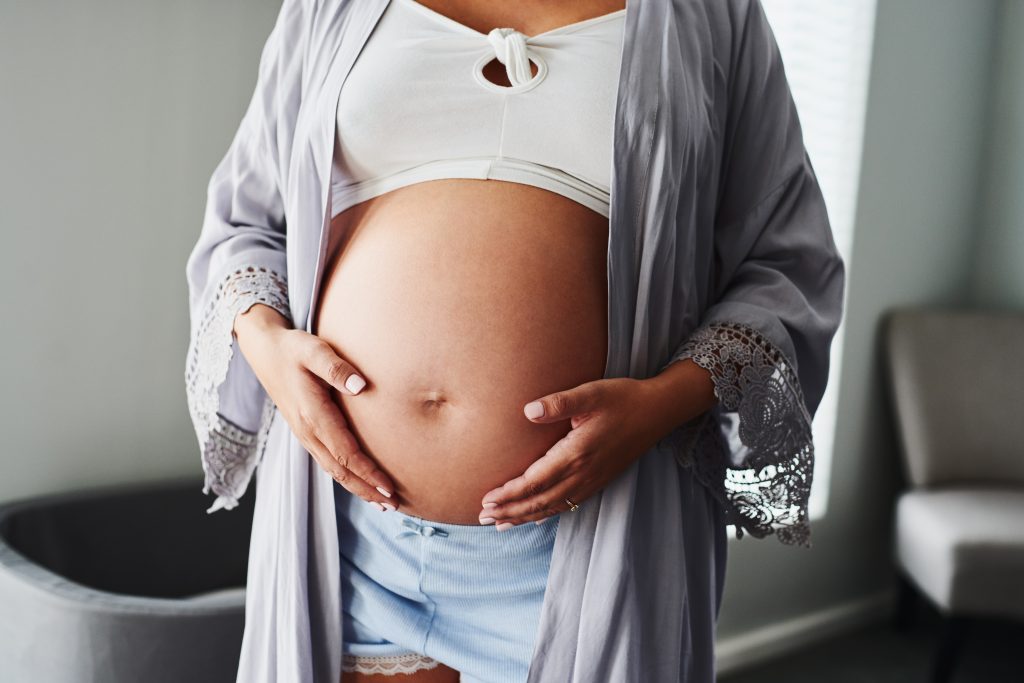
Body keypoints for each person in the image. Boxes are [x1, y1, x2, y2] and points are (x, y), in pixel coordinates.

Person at [184, 0, 846, 681]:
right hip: (356, 539)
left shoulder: (710, 16)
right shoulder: (332, 8)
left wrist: (660, 403)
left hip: (583, 547)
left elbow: (786, 265)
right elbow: (245, 224)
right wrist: (269, 348)